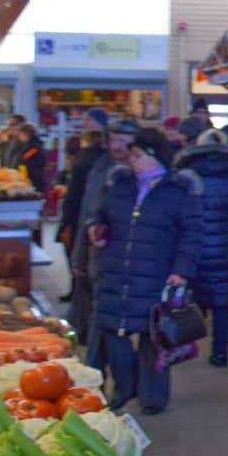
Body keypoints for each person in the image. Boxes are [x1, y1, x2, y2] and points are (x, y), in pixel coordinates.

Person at [87, 128, 200, 415]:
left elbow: (192, 235)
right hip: (117, 270)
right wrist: (95, 227)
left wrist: (182, 271)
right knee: (116, 334)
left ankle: (153, 396)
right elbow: (100, 214)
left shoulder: (178, 192)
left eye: (138, 155)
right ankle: (125, 387)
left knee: (154, 337)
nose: (132, 160)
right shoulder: (120, 185)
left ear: (154, 156)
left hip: (157, 273)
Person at [176, 129, 228, 367]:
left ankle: (183, 343)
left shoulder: (186, 175)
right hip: (225, 245)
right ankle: (219, 351)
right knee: (222, 302)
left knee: (188, 296)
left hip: (193, 245)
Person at [68, 118, 135, 339]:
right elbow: (86, 214)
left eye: (123, 140)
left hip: (129, 260)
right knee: (98, 316)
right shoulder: (98, 168)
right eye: (114, 139)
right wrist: (78, 258)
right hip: (97, 254)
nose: (117, 146)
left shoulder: (142, 173)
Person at [55, 129, 107, 301]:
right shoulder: (103, 163)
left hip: (80, 215)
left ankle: (77, 293)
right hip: (94, 218)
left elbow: (74, 195)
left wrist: (65, 221)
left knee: (76, 256)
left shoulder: (82, 163)